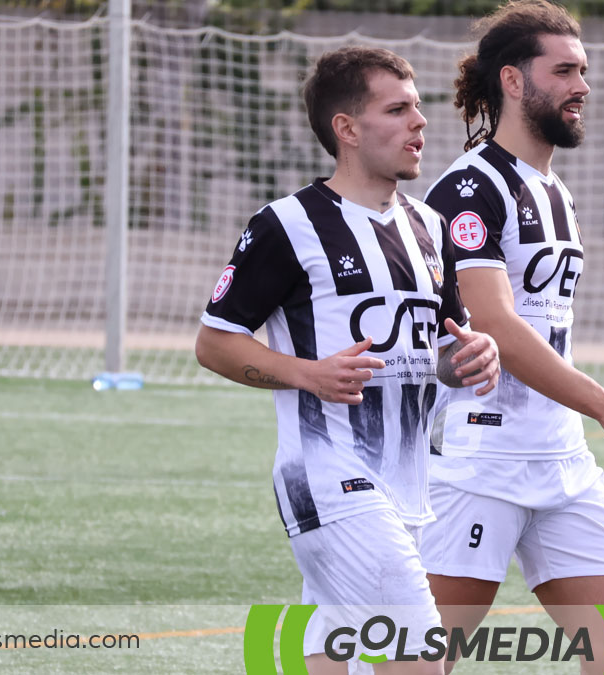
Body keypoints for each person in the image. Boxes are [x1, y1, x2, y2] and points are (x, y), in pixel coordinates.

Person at [195, 46, 500, 675]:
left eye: (418, 108)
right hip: (328, 475)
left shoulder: (431, 227)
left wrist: (471, 357)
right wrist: (307, 373)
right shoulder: (287, 224)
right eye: (398, 110)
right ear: (348, 129)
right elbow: (215, 341)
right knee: (420, 654)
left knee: (344, 658)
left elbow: (440, 351)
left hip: (407, 485)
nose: (420, 123)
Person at [420, 2, 604, 672]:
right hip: (480, 462)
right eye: (564, 70)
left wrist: (583, 419)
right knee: (419, 663)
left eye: (584, 70)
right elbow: (498, 326)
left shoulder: (555, 190)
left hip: (562, 461)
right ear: (513, 81)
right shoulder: (469, 188)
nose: (582, 85)